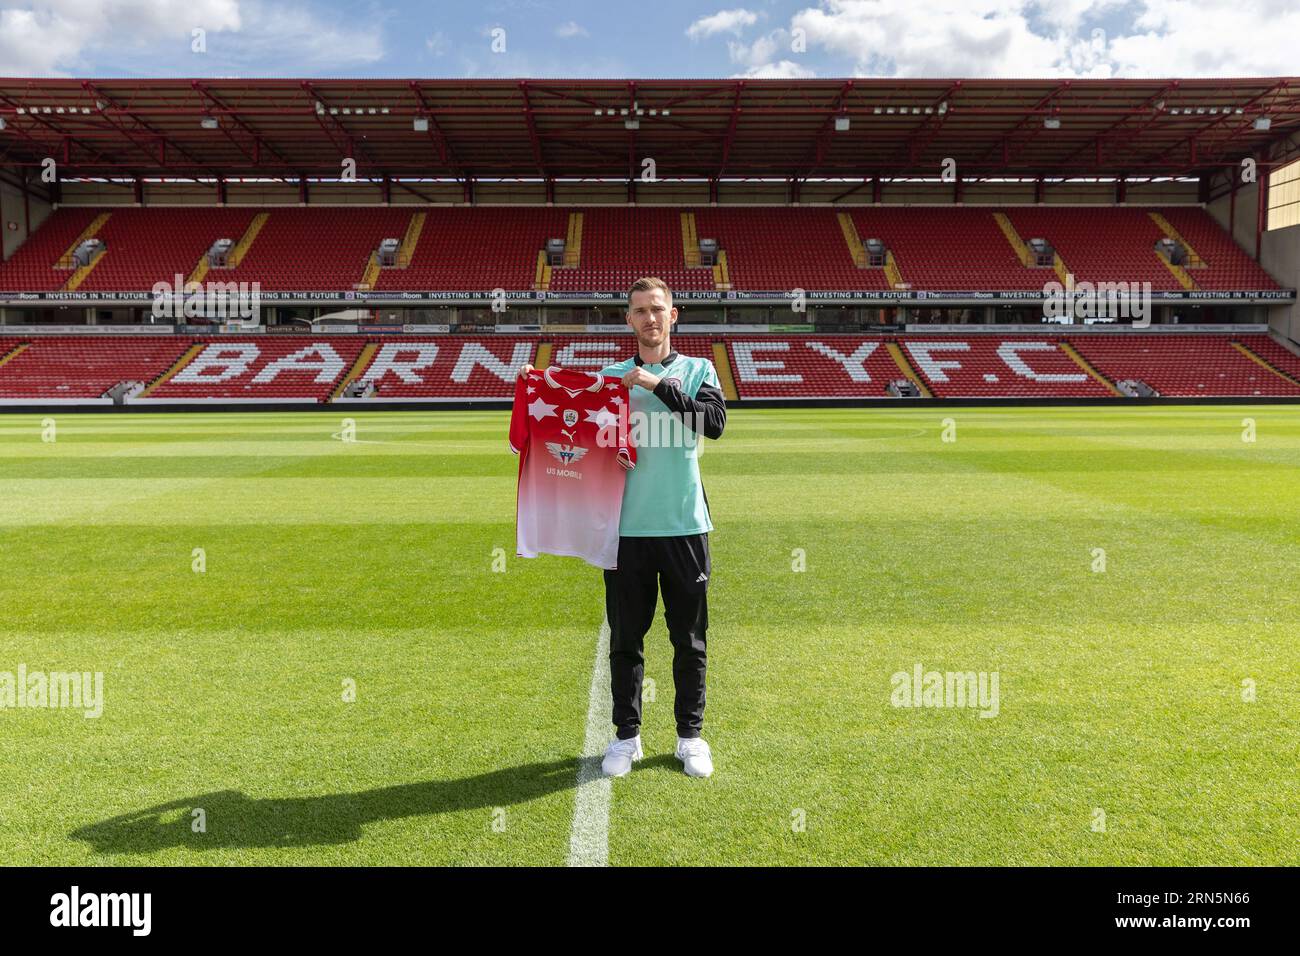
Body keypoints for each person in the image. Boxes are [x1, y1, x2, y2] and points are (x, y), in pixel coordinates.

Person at [518, 276, 726, 777]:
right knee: (626, 639)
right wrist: (535, 384)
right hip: (625, 530)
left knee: (689, 639)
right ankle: (627, 736)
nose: (650, 318)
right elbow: (572, 421)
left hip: (683, 526)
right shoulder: (611, 378)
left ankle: (689, 736)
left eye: (658, 309)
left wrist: (659, 385)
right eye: (639, 311)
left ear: (673, 316)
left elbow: (713, 424)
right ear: (628, 320)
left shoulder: (699, 370)